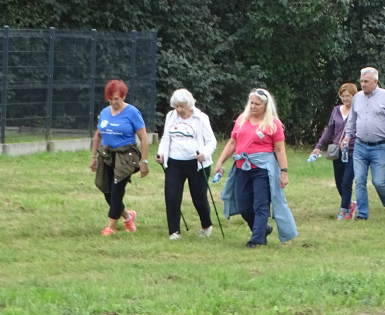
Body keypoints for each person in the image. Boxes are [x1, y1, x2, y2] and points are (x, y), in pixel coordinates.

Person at [214, 88, 297, 248]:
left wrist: (284, 172)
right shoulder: (241, 119)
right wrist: (220, 162)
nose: (253, 106)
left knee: (261, 204)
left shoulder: (273, 123)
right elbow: (232, 143)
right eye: (251, 103)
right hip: (241, 167)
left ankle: (257, 239)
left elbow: (280, 149)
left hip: (263, 169)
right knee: (244, 205)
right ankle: (262, 229)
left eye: (257, 104)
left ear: (266, 106)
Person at [90, 79, 150, 236]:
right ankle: (128, 216)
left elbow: (143, 138)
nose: (113, 102)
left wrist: (144, 161)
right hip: (107, 155)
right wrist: (94, 157)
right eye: (110, 99)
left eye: (116, 98)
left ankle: (110, 227)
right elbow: (98, 135)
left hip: (125, 157)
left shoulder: (132, 113)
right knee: (106, 190)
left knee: (117, 191)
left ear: (123, 96)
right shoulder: (104, 113)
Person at [155, 88, 216, 240]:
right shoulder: (171, 116)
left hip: (196, 163)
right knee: (172, 195)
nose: (178, 110)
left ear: (189, 104)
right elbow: (165, 138)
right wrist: (161, 153)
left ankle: (206, 225)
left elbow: (211, 141)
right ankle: (174, 231)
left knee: (199, 197)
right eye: (176, 106)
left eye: (181, 106)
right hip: (175, 162)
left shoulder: (201, 118)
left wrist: (204, 154)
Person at [343, 67, 385, 221]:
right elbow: (352, 119)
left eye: (366, 81)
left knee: (378, 181)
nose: (363, 84)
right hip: (360, 145)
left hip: (380, 146)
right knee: (360, 180)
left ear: (376, 81)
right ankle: (362, 214)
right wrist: (348, 136)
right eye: (361, 81)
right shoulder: (357, 98)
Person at [311, 82, 358, 220]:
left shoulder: (358, 111)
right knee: (338, 182)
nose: (345, 99)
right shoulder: (336, 110)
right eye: (343, 96)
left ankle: (344, 211)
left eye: (348, 96)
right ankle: (350, 203)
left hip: (353, 150)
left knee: (347, 181)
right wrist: (319, 146)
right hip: (337, 151)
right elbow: (329, 130)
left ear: (354, 96)